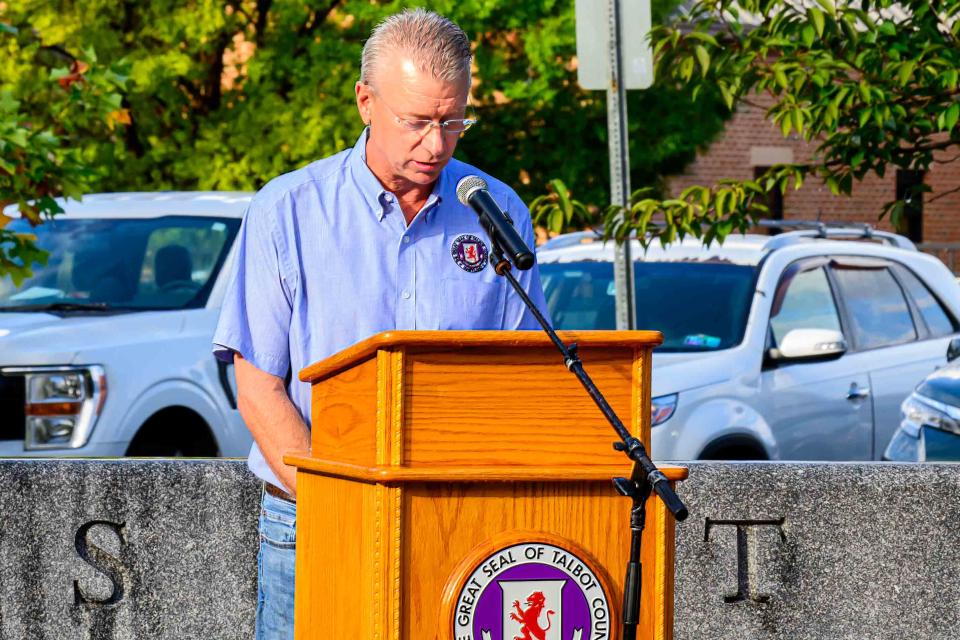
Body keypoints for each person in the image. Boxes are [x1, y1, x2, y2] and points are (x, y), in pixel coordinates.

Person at [212, 8, 548, 639]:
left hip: (458, 521)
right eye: (416, 122)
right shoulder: (287, 211)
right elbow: (259, 388)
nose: (436, 145)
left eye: (453, 122)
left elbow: (519, 379)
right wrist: (343, 505)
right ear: (366, 102)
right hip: (313, 520)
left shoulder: (496, 210)